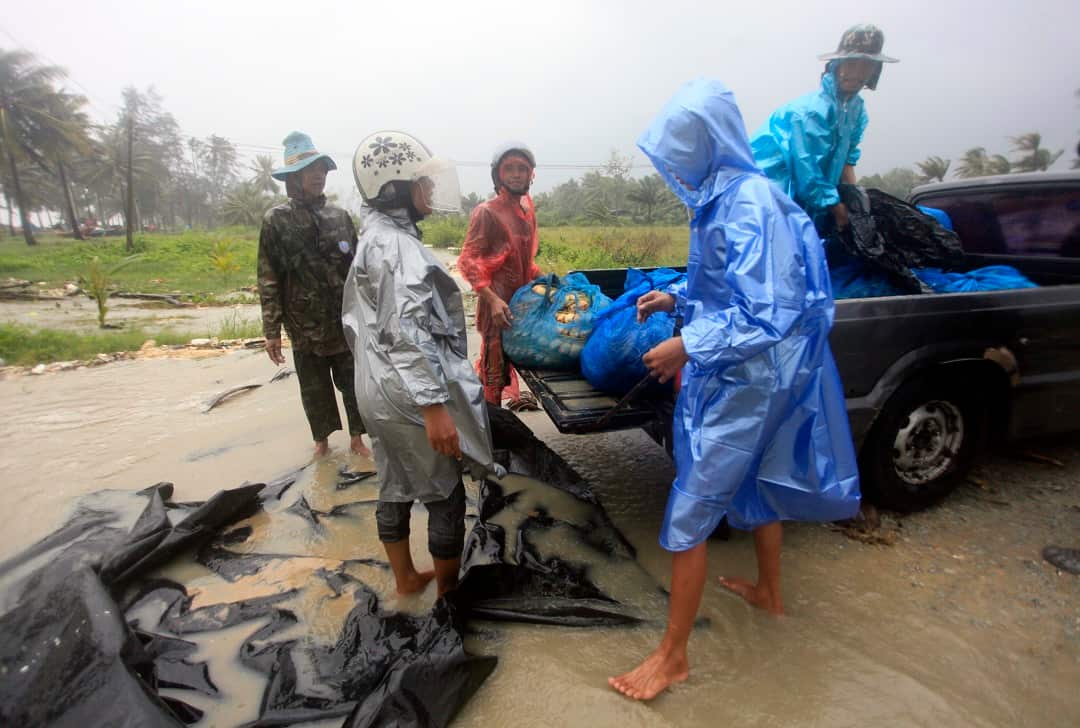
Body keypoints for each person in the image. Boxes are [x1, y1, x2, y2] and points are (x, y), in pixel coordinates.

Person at [608, 79, 861, 701]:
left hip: (745, 377)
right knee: (761, 476)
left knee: (692, 507)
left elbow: (766, 309)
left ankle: (672, 657)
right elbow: (732, 292)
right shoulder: (725, 200)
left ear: (709, 140)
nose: (676, 161)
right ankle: (770, 594)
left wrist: (687, 344)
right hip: (753, 370)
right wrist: (680, 298)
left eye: (683, 145)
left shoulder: (748, 202)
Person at [344, 130, 499, 597]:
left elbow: (361, 323)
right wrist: (434, 406)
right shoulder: (397, 247)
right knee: (444, 493)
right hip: (409, 391)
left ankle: (407, 580)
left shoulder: (374, 236)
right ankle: (450, 595)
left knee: (393, 481)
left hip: (376, 385)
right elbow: (406, 331)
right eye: (421, 184)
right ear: (392, 188)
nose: (430, 192)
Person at [257, 131, 370, 458]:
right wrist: (271, 331)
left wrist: (368, 316)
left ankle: (357, 439)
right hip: (302, 324)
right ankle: (321, 443)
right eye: (310, 170)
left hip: (344, 322)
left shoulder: (339, 217)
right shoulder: (276, 221)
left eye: (321, 169)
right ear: (292, 179)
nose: (318, 175)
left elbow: (357, 272)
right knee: (313, 388)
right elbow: (268, 277)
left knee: (354, 383)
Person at [750, 24, 898, 233]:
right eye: (851, 63)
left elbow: (847, 159)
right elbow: (807, 173)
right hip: (769, 199)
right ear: (836, 64)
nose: (856, 73)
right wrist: (838, 210)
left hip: (807, 201)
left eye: (865, 66)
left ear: (875, 70)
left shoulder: (856, 110)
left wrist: (855, 203)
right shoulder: (809, 113)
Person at [457, 142, 542, 407]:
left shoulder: (527, 210)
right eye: (509, 169)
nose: (516, 174)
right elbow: (469, 260)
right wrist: (491, 299)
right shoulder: (487, 212)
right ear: (498, 175)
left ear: (531, 175)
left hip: (523, 301)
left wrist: (544, 282)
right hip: (498, 304)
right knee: (494, 370)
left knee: (526, 356)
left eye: (522, 169)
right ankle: (493, 432)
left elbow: (525, 259)